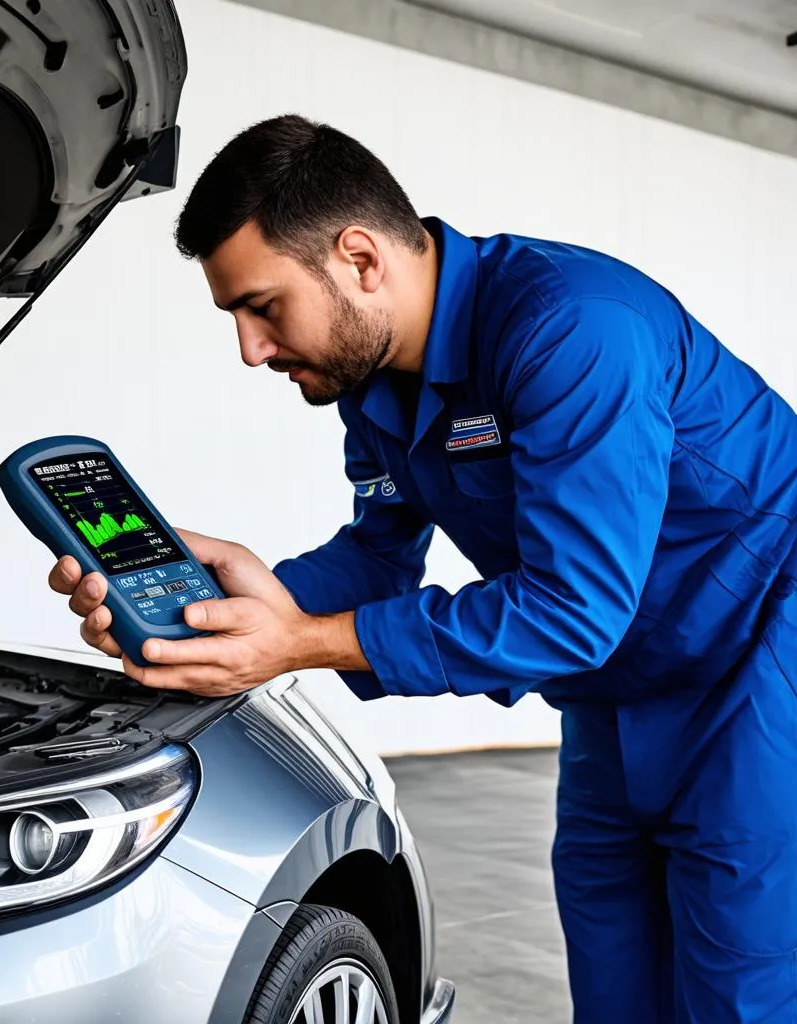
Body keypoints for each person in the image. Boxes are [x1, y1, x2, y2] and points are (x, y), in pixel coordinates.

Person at [47, 114, 797, 1022]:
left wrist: (299, 645)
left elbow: (573, 606)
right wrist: (232, 608)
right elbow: (379, 553)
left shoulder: (572, 330)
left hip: (759, 660)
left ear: (360, 258)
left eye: (262, 306)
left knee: (738, 986)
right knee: (614, 977)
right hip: (615, 687)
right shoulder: (372, 389)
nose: (251, 349)